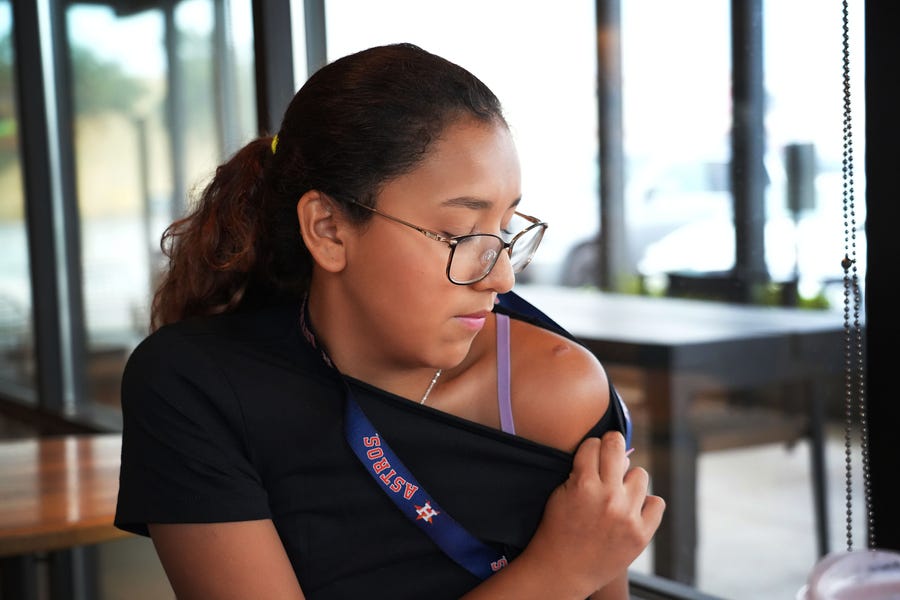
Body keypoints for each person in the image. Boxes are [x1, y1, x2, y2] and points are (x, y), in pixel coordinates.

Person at [114, 42, 664, 599]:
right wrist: (557, 573)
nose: (500, 278)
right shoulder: (196, 384)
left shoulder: (556, 389)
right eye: (457, 235)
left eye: (503, 230)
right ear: (328, 229)